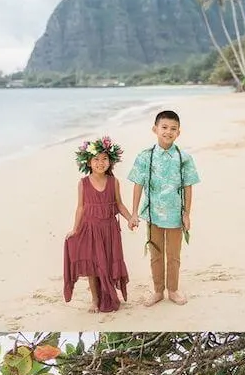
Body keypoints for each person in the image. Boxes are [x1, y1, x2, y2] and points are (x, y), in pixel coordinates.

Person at [128, 109, 200, 306]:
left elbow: (188, 186)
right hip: (152, 214)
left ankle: (173, 290)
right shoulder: (145, 156)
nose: (168, 132)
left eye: (173, 129)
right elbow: (138, 184)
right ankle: (158, 290)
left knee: (174, 255)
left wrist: (187, 213)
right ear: (155, 129)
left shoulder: (184, 157)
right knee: (156, 254)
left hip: (175, 214)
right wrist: (134, 212)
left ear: (179, 132)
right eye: (164, 127)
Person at [64, 136, 132, 314]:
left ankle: (109, 296)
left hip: (110, 231)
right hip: (91, 230)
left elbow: (119, 205)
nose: (101, 163)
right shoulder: (83, 183)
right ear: (88, 162)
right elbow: (80, 208)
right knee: (94, 267)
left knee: (109, 264)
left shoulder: (114, 182)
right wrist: (75, 229)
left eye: (104, 159)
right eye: (96, 159)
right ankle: (95, 300)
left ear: (111, 161)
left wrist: (130, 218)